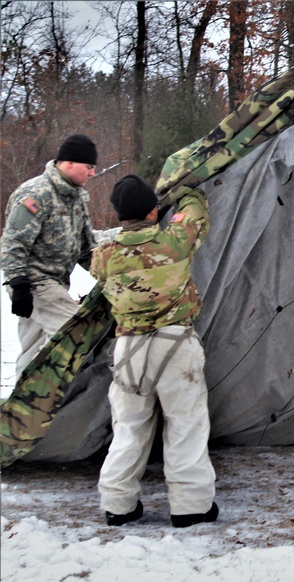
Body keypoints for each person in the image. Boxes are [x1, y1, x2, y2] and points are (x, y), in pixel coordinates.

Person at [90, 175, 218, 528]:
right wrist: (184, 184)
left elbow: (100, 278)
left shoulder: (104, 255)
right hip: (175, 346)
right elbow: (195, 208)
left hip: (129, 349)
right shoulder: (175, 241)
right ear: (153, 209)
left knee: (129, 427)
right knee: (186, 424)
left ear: (117, 214)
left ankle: (118, 504)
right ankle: (190, 506)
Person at [2, 134, 99, 378]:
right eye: (88, 167)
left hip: (55, 283)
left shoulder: (75, 198)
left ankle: (21, 406)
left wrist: (110, 272)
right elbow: (14, 241)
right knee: (77, 332)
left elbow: (86, 247)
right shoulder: (36, 194)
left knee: (32, 351)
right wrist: (18, 283)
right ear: (69, 164)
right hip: (34, 283)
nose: (92, 174)